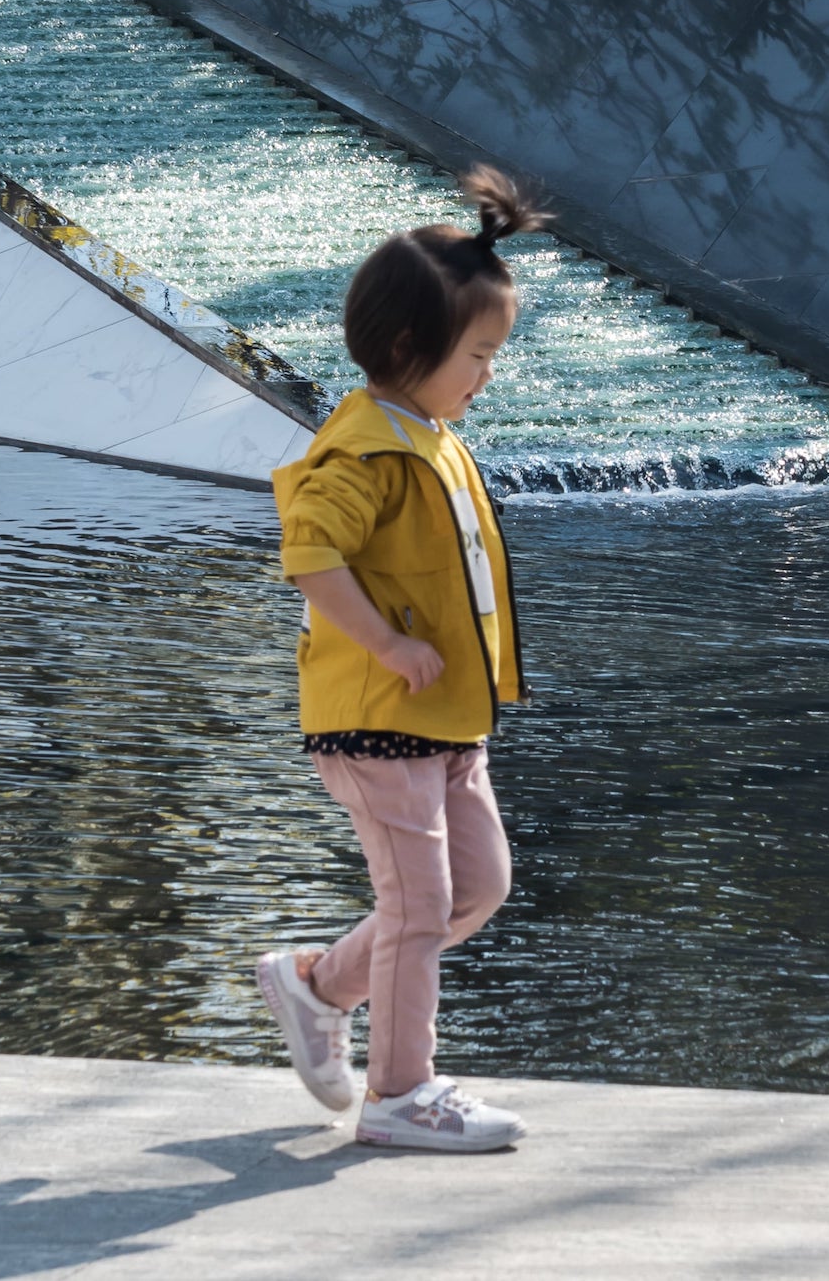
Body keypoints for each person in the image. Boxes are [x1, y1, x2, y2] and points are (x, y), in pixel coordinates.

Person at [250, 167, 549, 1152]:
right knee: (418, 901)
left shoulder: (432, 433)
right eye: (477, 353)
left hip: (450, 717)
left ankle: (315, 983)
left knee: (476, 888)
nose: (487, 375)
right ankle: (400, 1090)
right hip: (378, 716)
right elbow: (310, 551)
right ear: (408, 349)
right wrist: (383, 640)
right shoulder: (366, 448)